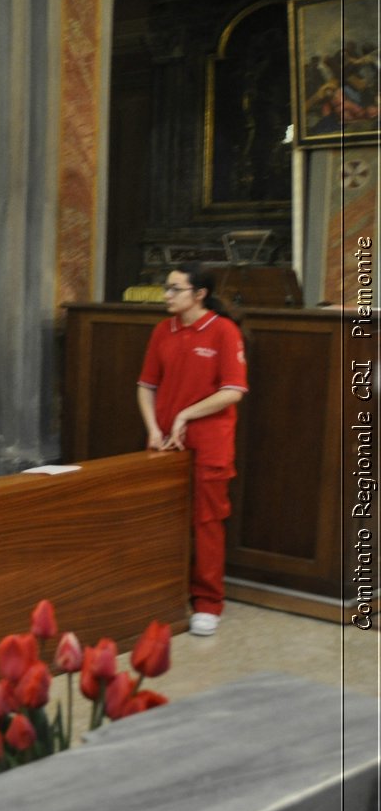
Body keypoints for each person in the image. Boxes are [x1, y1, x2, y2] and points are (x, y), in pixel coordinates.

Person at [137, 262, 248, 637]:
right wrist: (154, 427)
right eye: (165, 288)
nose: (167, 296)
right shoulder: (162, 331)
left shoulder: (223, 331)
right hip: (166, 441)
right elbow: (146, 385)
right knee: (162, 518)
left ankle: (207, 601)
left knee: (206, 521)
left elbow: (233, 390)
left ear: (199, 294)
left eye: (174, 289)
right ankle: (164, 596)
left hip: (209, 442)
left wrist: (187, 414)